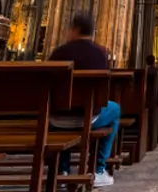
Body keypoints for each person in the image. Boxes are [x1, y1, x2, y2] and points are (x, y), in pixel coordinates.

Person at [48, 12, 118, 188]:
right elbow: (103, 92)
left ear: (75, 29)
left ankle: (62, 170)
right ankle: (98, 169)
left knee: (64, 107)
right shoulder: (100, 54)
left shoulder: (58, 53)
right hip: (88, 118)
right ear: (92, 31)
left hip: (55, 120)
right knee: (115, 109)